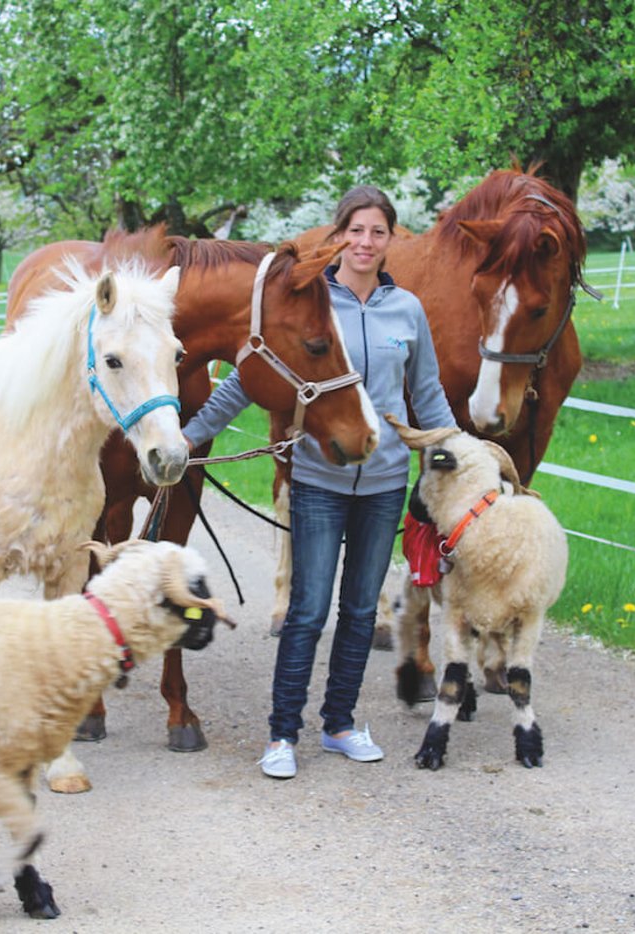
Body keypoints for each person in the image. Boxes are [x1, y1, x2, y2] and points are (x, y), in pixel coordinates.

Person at [182, 185, 458, 779]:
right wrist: (190, 435)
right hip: (316, 480)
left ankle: (338, 724)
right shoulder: (309, 300)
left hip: (383, 482)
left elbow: (427, 394)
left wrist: (462, 456)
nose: (365, 242)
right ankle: (283, 734)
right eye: (355, 231)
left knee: (360, 610)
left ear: (391, 240)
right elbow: (245, 378)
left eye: (377, 232)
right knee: (307, 610)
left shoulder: (406, 310)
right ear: (339, 236)